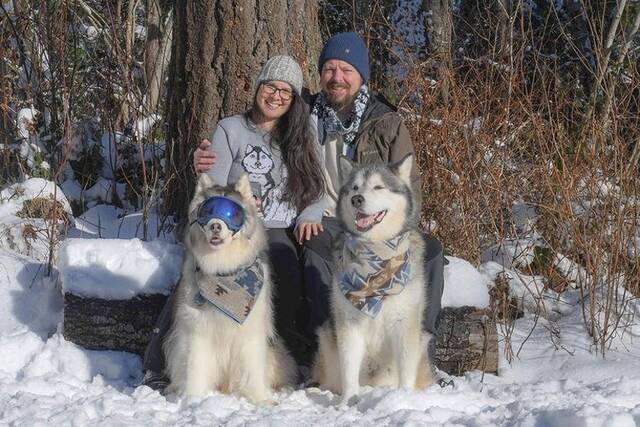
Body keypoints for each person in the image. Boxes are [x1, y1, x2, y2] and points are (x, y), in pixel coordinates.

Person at [196, 33, 445, 369]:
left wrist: (391, 233)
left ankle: (420, 358)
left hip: (378, 224)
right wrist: (204, 158)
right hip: (324, 217)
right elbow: (254, 130)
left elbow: (407, 188)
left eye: (346, 69)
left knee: (430, 252)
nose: (337, 77)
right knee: (315, 250)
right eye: (329, 68)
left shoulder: (386, 122)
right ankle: (325, 355)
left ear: (362, 76)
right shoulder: (306, 110)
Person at [143, 55, 325, 389]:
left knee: (283, 264)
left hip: (277, 225)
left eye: (286, 91)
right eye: (271, 86)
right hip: (231, 223)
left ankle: (279, 356)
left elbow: (317, 187)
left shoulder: (302, 131)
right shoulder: (231, 128)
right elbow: (213, 185)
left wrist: (311, 214)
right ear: (259, 86)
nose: (276, 96)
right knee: (197, 274)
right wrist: (228, 198)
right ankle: (156, 362)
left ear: (294, 99)